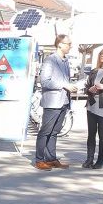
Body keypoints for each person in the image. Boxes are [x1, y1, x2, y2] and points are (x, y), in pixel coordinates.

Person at [34, 35, 76, 170]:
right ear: (60, 44)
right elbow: (44, 81)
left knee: (54, 132)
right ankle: (39, 159)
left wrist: (70, 87)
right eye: (68, 44)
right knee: (45, 131)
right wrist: (64, 85)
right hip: (52, 102)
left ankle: (51, 158)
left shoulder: (66, 61)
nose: (70, 46)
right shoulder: (50, 60)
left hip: (63, 101)